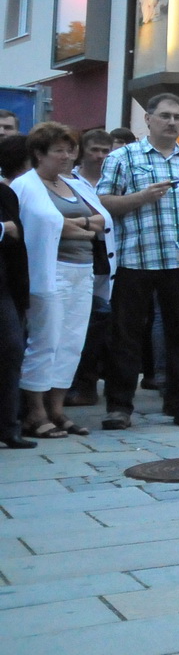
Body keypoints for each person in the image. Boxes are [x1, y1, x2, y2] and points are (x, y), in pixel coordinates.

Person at [97, 93, 179, 430]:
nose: (173, 122)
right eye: (165, 116)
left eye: (177, 117)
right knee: (126, 335)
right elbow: (104, 201)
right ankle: (119, 407)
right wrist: (141, 197)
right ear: (148, 120)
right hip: (135, 258)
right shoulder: (123, 157)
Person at [14, 123, 106, 438]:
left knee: (71, 342)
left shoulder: (76, 184)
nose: (66, 156)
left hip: (82, 270)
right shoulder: (25, 185)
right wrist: (82, 224)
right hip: (49, 270)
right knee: (45, 341)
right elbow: (49, 224)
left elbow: (101, 220)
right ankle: (34, 412)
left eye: (70, 150)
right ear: (39, 154)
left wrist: (76, 223)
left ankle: (57, 408)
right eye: (58, 151)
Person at [66, 128, 116, 408]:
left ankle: (89, 382)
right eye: (94, 150)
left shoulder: (115, 178)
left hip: (109, 261)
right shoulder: (70, 180)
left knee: (101, 324)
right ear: (81, 151)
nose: (99, 156)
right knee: (80, 324)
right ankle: (76, 384)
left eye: (105, 151)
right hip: (79, 259)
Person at [0, 134, 30, 447]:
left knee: (11, 350)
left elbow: (16, 243)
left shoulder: (5, 194)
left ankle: (8, 427)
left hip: (4, 287)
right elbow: (7, 232)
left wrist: (22, 293)